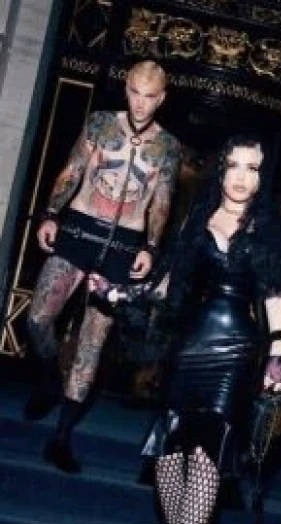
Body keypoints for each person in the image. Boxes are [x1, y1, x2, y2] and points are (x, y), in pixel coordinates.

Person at [90, 133, 281, 524]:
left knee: (206, 458)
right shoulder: (196, 220)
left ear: (262, 177)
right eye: (235, 165)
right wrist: (120, 293)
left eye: (253, 168)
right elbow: (168, 284)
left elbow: (275, 293)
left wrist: (278, 353)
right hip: (190, 349)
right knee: (168, 462)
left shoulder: (270, 229)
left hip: (236, 353)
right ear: (220, 169)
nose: (242, 177)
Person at [24, 59, 181, 473]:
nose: (141, 103)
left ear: (161, 99)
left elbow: (162, 200)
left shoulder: (168, 146)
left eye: (150, 96)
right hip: (79, 231)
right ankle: (48, 379)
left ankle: (61, 439)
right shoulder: (100, 123)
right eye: (135, 92)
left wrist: (150, 246)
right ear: (126, 89)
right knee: (37, 319)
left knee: (91, 345)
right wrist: (50, 214)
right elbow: (73, 168)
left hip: (123, 249)